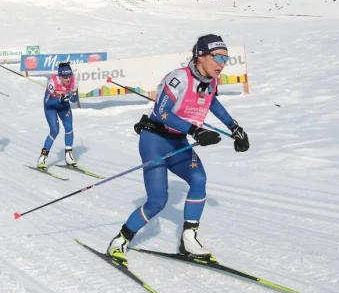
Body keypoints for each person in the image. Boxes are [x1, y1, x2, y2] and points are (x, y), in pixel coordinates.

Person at [105, 34, 250, 262]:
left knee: (199, 179)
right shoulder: (179, 78)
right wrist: (195, 131)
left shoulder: (211, 81)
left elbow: (212, 102)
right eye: (218, 58)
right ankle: (121, 239)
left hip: (178, 140)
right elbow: (161, 113)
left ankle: (189, 240)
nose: (222, 64)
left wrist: (234, 127)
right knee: (157, 201)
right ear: (200, 56)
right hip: (154, 140)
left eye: (226, 59)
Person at [36, 62, 81, 169]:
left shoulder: (74, 80)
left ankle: (69, 156)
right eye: (65, 77)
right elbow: (48, 103)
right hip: (51, 107)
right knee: (55, 130)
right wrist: (59, 99)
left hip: (63, 106)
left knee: (69, 127)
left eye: (69, 76)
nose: (68, 79)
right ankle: (42, 157)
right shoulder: (53, 82)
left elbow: (75, 99)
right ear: (60, 76)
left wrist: (71, 95)